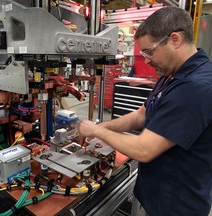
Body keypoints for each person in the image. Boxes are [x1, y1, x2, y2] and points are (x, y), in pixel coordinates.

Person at [79, 6, 212, 216]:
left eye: (149, 51)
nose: (146, 60)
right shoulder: (172, 73)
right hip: (158, 193)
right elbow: (142, 114)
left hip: (177, 204)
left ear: (175, 40)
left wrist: (96, 132)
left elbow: (144, 149)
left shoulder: (195, 87)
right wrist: (103, 125)